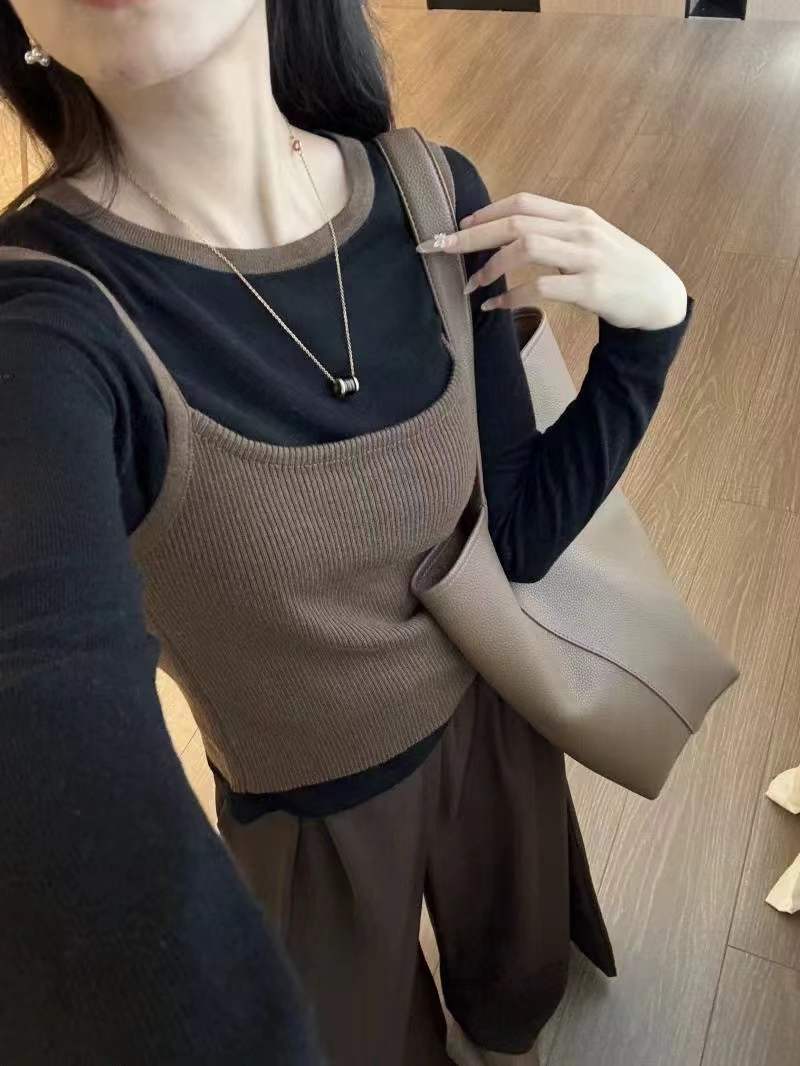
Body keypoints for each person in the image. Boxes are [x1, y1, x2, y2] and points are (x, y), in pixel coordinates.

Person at [0, 1, 693, 1064]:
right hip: (306, 820)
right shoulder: (43, 322)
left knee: (517, 994)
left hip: (496, 727)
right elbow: (43, 705)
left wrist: (648, 335)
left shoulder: (432, 195)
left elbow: (510, 536)